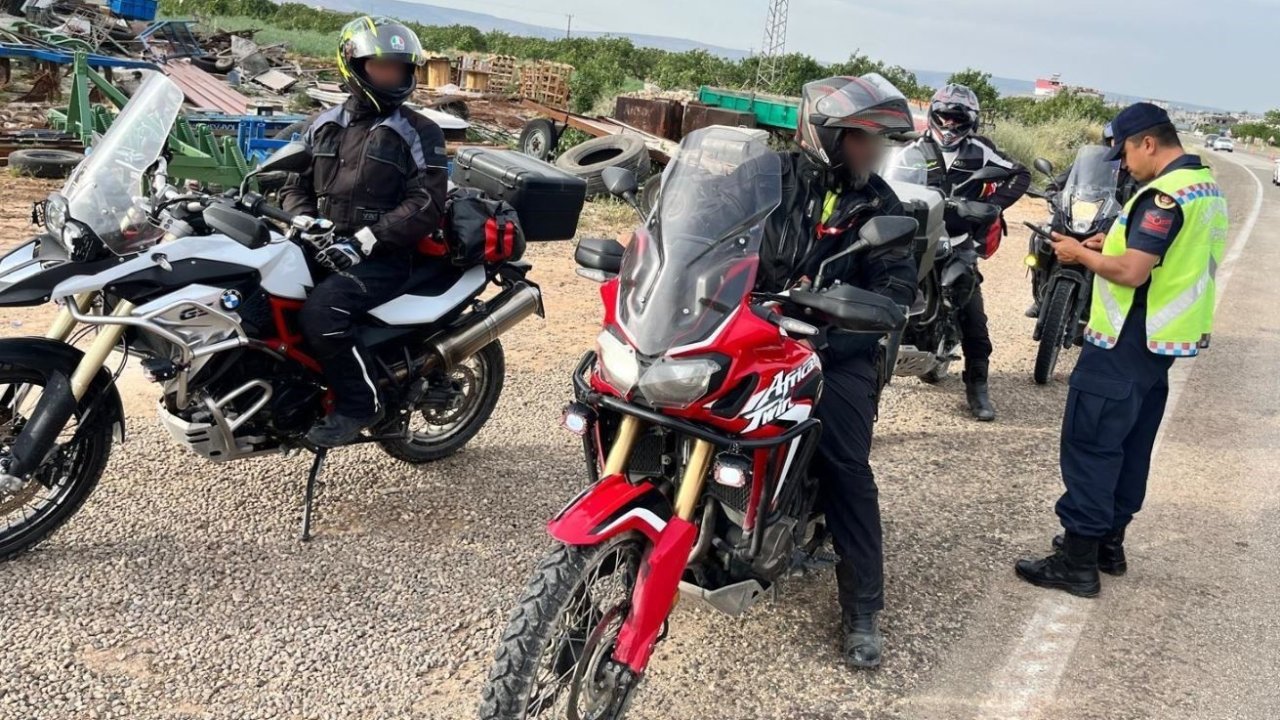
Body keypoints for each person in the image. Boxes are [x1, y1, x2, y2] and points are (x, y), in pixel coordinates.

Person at [1015, 103, 1227, 597]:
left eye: (1126, 153)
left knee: (1092, 445)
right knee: (1131, 447)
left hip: (1124, 340)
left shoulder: (1163, 197)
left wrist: (1078, 254)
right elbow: (1169, 255)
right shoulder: (1204, 189)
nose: (1124, 164)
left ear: (1148, 143)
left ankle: (1077, 561)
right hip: (1160, 346)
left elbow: (1133, 272)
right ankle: (1110, 543)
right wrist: (1104, 240)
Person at [769, 74, 918, 668]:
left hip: (837, 346)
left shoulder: (881, 204)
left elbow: (897, 285)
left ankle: (862, 608)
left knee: (843, 462)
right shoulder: (765, 175)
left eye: (881, 142)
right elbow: (700, 227)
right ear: (828, 134)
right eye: (865, 139)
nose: (874, 152)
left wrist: (848, 310)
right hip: (748, 329)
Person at [279, 16, 448, 447]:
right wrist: (302, 218)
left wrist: (365, 240)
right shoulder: (323, 123)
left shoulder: (419, 132)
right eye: (383, 67)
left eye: (400, 68)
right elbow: (293, 184)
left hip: (386, 255)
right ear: (354, 65)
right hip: (321, 244)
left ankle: (360, 404)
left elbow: (426, 203)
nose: (393, 76)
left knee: (323, 313)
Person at [908, 84, 1030, 421]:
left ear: (969, 121)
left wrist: (989, 206)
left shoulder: (981, 151)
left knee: (973, 315)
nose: (948, 125)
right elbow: (888, 178)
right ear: (933, 115)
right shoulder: (914, 147)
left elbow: (1020, 174)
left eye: (956, 119)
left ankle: (978, 388)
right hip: (918, 239)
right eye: (943, 117)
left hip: (960, 241)